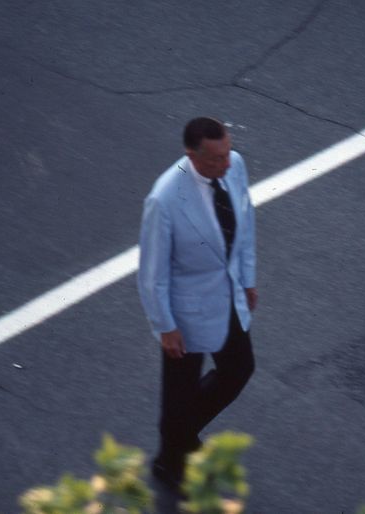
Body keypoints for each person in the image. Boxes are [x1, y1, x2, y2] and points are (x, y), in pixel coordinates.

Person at [137, 117, 257, 492]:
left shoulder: (234, 166)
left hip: (228, 296)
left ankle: (182, 436)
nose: (226, 163)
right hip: (185, 313)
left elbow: (246, 222)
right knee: (179, 390)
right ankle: (170, 461)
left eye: (227, 152)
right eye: (216, 158)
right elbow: (151, 271)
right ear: (192, 155)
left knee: (238, 369)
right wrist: (165, 325)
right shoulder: (165, 198)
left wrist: (249, 280)